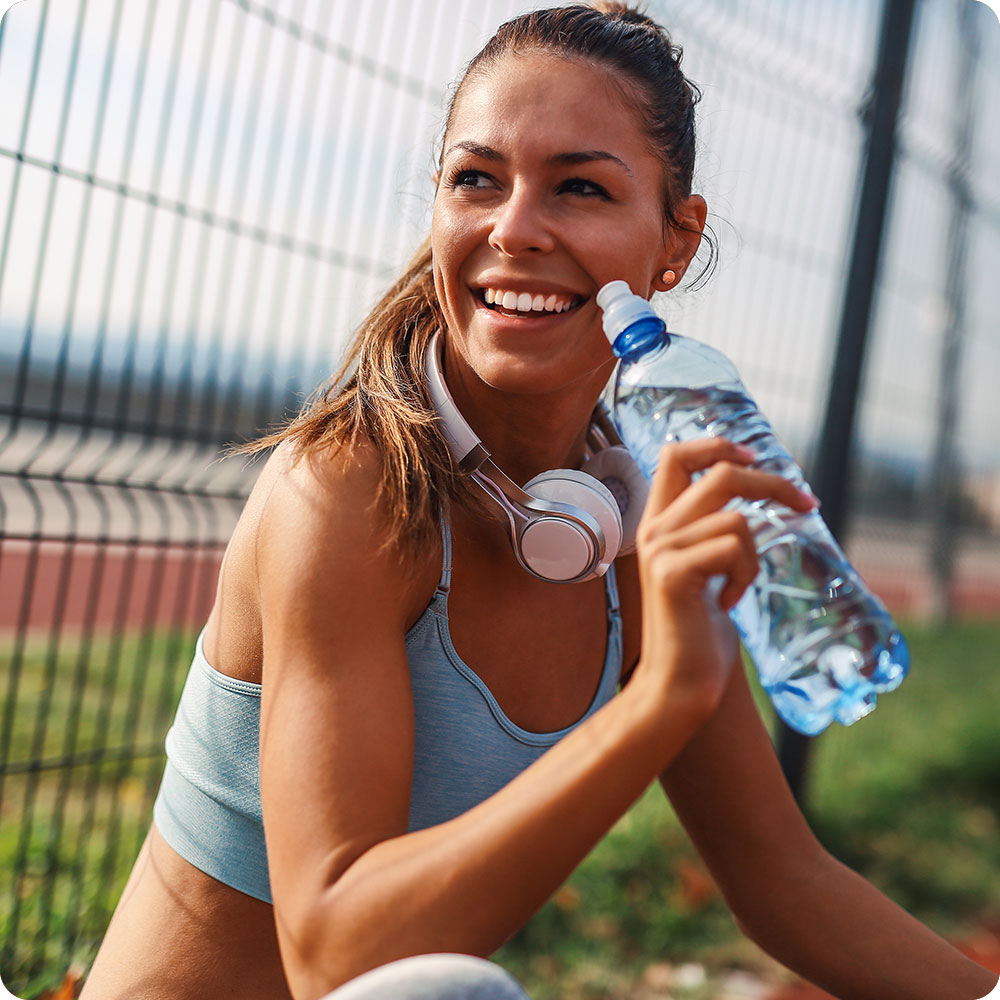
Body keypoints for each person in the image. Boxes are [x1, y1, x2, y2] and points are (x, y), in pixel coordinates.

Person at [80, 4, 999, 999]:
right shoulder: (343, 492)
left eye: (580, 187)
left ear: (673, 240)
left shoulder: (639, 517)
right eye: (476, 178)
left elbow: (785, 882)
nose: (514, 229)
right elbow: (337, 954)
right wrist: (658, 701)